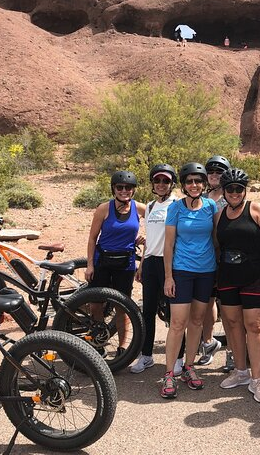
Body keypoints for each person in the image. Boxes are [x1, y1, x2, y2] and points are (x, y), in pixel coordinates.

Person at [215, 168, 260, 403]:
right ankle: (240, 371)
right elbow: (216, 245)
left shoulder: (255, 209)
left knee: (254, 325)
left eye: (239, 189)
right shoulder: (219, 214)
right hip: (227, 276)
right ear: (224, 191)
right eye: (230, 188)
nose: (234, 193)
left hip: (253, 274)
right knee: (232, 323)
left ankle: (257, 379)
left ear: (245, 190)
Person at [160, 162, 218, 399]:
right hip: (182, 270)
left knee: (196, 321)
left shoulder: (211, 206)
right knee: (177, 323)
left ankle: (189, 367)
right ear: (183, 185)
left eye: (198, 181)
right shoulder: (176, 208)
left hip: (206, 270)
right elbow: (168, 244)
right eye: (189, 181)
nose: (194, 185)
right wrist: (168, 277)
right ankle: (168, 374)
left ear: (204, 184)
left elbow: (215, 238)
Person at [85, 170, 146, 355]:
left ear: (133, 190)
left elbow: (161, 219)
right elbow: (92, 238)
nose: (124, 191)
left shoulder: (139, 208)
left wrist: (145, 238)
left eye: (128, 187)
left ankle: (122, 347)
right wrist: (89, 265)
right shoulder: (104, 208)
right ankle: (99, 340)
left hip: (125, 263)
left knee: (122, 306)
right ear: (114, 189)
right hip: (102, 260)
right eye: (120, 187)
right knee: (96, 304)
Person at [131, 164, 184, 374]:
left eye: (165, 181)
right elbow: (150, 239)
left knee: (174, 313)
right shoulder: (151, 206)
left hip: (169, 262)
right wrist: (142, 265)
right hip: (151, 261)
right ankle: (146, 356)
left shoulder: (177, 205)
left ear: (172, 184)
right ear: (153, 183)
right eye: (157, 181)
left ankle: (179, 357)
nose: (161, 185)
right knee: (148, 311)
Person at [197, 155, 231, 368]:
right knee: (208, 302)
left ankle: (233, 352)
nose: (215, 176)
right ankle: (208, 343)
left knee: (228, 306)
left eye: (219, 172)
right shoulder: (203, 196)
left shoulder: (230, 196)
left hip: (226, 256)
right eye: (211, 172)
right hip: (206, 256)